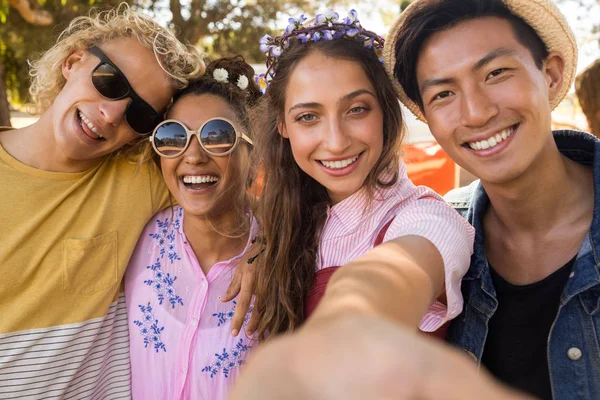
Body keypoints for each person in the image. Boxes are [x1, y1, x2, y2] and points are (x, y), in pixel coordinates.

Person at [384, 0, 599, 398]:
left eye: (496, 73)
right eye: (444, 94)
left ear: (549, 75)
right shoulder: (441, 231)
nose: (477, 113)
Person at [0, 5, 203, 399]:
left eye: (141, 115)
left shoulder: (144, 178)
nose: (111, 115)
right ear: (73, 62)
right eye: (110, 82)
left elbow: (244, 179)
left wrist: (255, 247)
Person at [240, 9, 474, 343]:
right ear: (282, 124)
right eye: (308, 116)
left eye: (356, 109)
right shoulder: (286, 220)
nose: (335, 142)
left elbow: (402, 272)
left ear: (385, 112)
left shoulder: (427, 218)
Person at [125, 56, 261, 400]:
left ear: (254, 159)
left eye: (218, 136)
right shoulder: (136, 234)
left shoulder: (282, 256)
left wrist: (273, 240)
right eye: (173, 137)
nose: (194, 155)